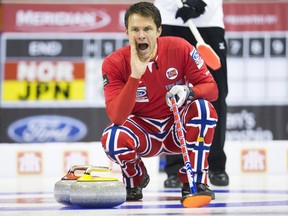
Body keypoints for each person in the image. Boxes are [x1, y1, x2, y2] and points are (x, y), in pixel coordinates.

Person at [100, 1, 218, 201]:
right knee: (112, 138)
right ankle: (134, 179)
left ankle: (195, 181)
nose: (141, 35)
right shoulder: (114, 63)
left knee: (204, 110)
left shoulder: (180, 47)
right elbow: (117, 116)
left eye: (147, 28)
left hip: (176, 128)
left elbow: (212, 89)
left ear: (158, 31)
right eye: (135, 29)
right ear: (127, 33)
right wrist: (135, 76)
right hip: (145, 132)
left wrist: (189, 92)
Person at [154, 0, 229, 187]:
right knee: (170, 94)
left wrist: (200, 3)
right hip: (170, 19)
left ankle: (215, 165)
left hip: (208, 23)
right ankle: (174, 168)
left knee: (215, 93)